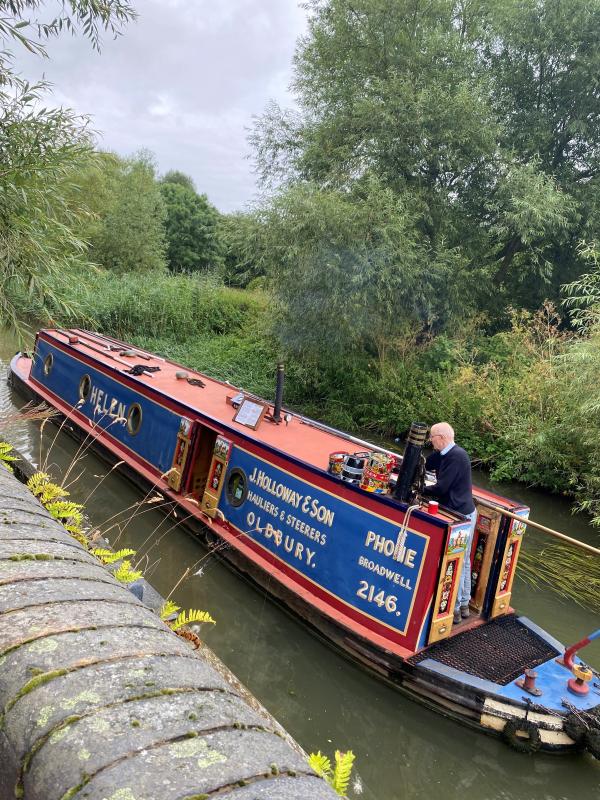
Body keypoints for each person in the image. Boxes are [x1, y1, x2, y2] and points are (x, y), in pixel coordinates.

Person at [423, 422, 477, 625]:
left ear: (442, 437)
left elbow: (442, 487)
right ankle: (463, 605)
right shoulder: (446, 454)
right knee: (463, 560)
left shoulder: (457, 456)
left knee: (458, 562)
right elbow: (429, 464)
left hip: (461, 515)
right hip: (462, 513)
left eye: (432, 438)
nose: (430, 441)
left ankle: (455, 608)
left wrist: (421, 488)